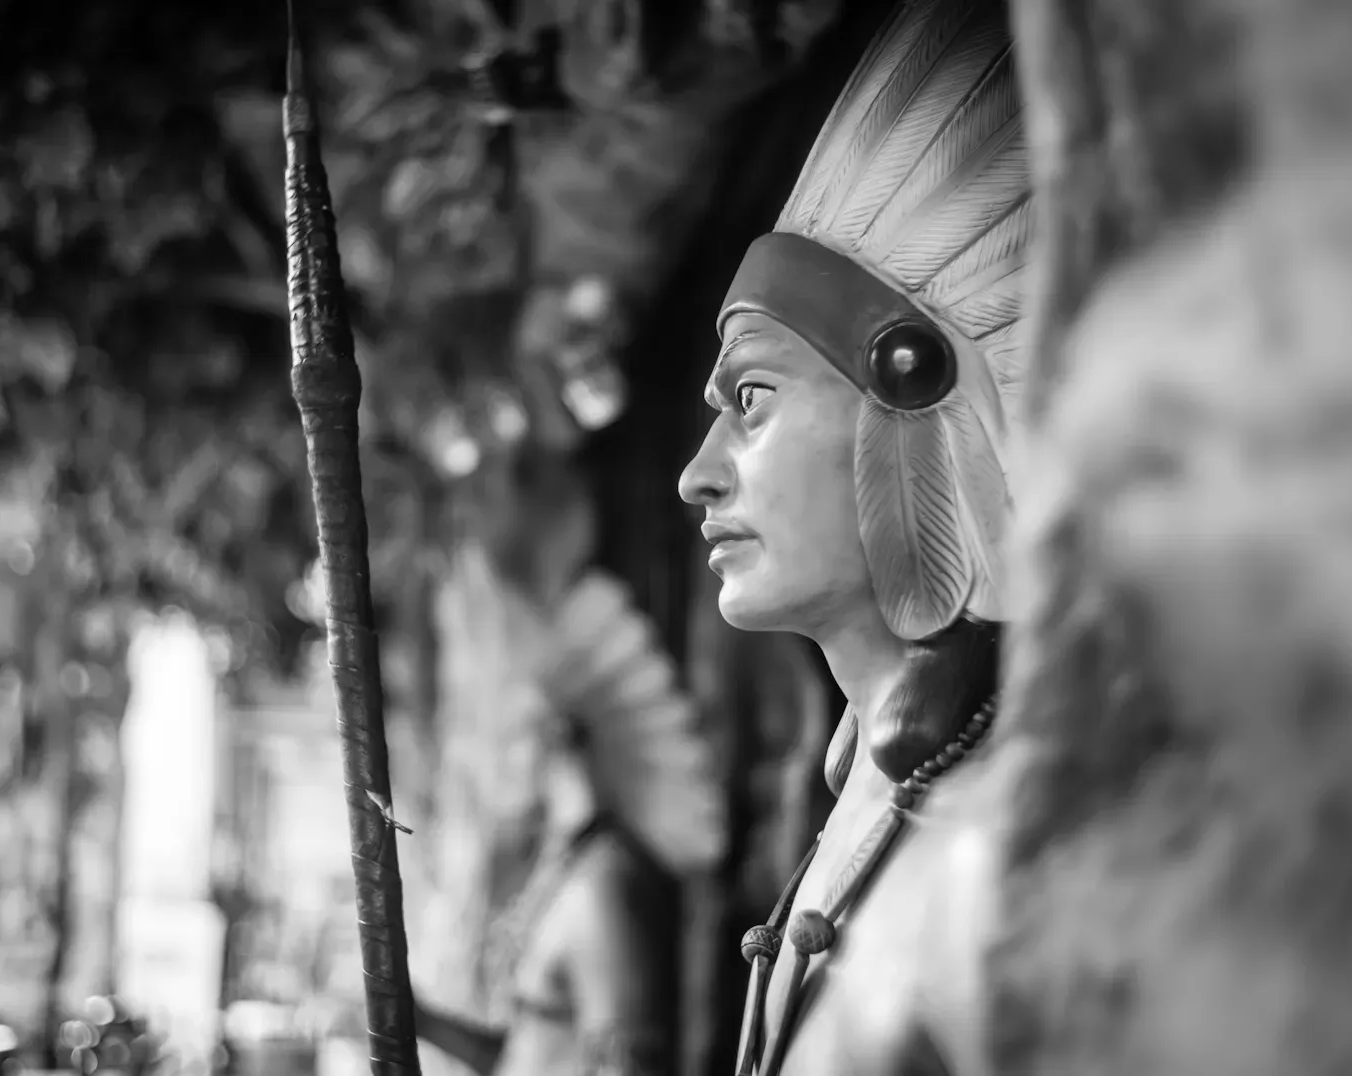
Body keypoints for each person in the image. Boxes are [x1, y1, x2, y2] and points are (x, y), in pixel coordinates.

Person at [677, 1, 1027, 1073]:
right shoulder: (876, 796)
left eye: (751, 398)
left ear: (907, 396)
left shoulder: (1008, 848)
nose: (697, 474)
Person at [412, 555, 725, 1076]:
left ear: (555, 736)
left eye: (512, 735)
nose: (498, 758)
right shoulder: (564, 870)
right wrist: (419, 1019)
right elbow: (528, 1053)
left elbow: (627, 1066)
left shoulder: (603, 882)